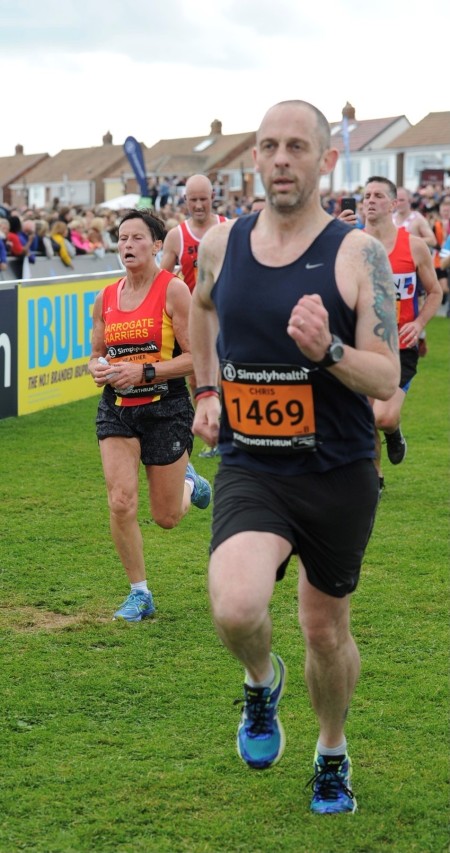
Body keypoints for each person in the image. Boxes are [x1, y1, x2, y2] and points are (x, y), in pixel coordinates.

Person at [189, 100, 400, 815]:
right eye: (269, 145)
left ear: (324, 160)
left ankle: (332, 749)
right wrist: (208, 390)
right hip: (254, 467)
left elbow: (386, 376)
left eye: (297, 147)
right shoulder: (221, 244)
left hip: (337, 471)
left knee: (324, 628)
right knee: (238, 603)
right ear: (254, 157)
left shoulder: (356, 255)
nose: (281, 158)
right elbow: (202, 307)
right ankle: (259, 681)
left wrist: (329, 350)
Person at [88, 209, 211, 622]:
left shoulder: (174, 291)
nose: (127, 245)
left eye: (137, 238)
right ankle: (139, 593)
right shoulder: (105, 298)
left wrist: (144, 370)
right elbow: (96, 354)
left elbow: (196, 358)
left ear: (158, 244)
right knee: (120, 500)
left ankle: (190, 484)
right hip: (118, 410)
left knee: (166, 517)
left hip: (166, 409)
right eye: (122, 238)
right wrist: (99, 368)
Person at [363, 177, 441, 487]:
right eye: (366, 195)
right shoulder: (352, 243)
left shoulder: (414, 246)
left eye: (378, 195)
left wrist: (419, 323)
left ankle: (394, 433)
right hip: (363, 344)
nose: (370, 200)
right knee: (364, 416)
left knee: (383, 417)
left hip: (400, 346)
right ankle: (375, 479)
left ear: (394, 204)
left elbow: (434, 292)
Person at [160, 174, 227, 458]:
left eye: (204, 199)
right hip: (193, 319)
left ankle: (229, 435)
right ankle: (210, 433)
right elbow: (161, 278)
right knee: (195, 378)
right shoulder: (177, 235)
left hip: (225, 313)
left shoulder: (227, 228)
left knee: (227, 374)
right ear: (185, 200)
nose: (199, 206)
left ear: (213, 197)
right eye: (193, 200)